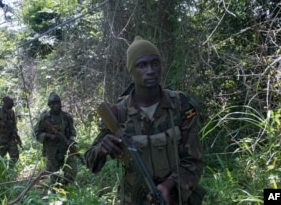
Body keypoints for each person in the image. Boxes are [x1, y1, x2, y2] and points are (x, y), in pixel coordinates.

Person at [85, 36, 204, 205]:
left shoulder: (181, 105)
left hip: (176, 197)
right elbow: (90, 161)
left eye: (155, 63)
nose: (150, 70)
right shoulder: (118, 113)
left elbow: (194, 161)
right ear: (131, 70)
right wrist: (102, 149)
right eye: (142, 65)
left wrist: (168, 186)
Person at [33, 92, 78, 185]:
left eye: (58, 103)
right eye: (53, 104)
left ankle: (66, 188)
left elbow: (73, 132)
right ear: (50, 105)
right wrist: (49, 136)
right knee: (53, 178)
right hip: (52, 152)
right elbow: (36, 133)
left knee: (72, 172)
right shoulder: (45, 118)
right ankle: (53, 194)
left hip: (66, 149)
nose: (56, 105)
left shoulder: (66, 117)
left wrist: (71, 140)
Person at [0, 96, 22, 165]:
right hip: (0, 138)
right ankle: (1, 171)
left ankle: (11, 169)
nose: (12, 104)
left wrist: (17, 137)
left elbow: (14, 125)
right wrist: (1, 124)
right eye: (10, 103)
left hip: (10, 137)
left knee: (15, 155)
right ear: (5, 103)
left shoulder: (12, 112)